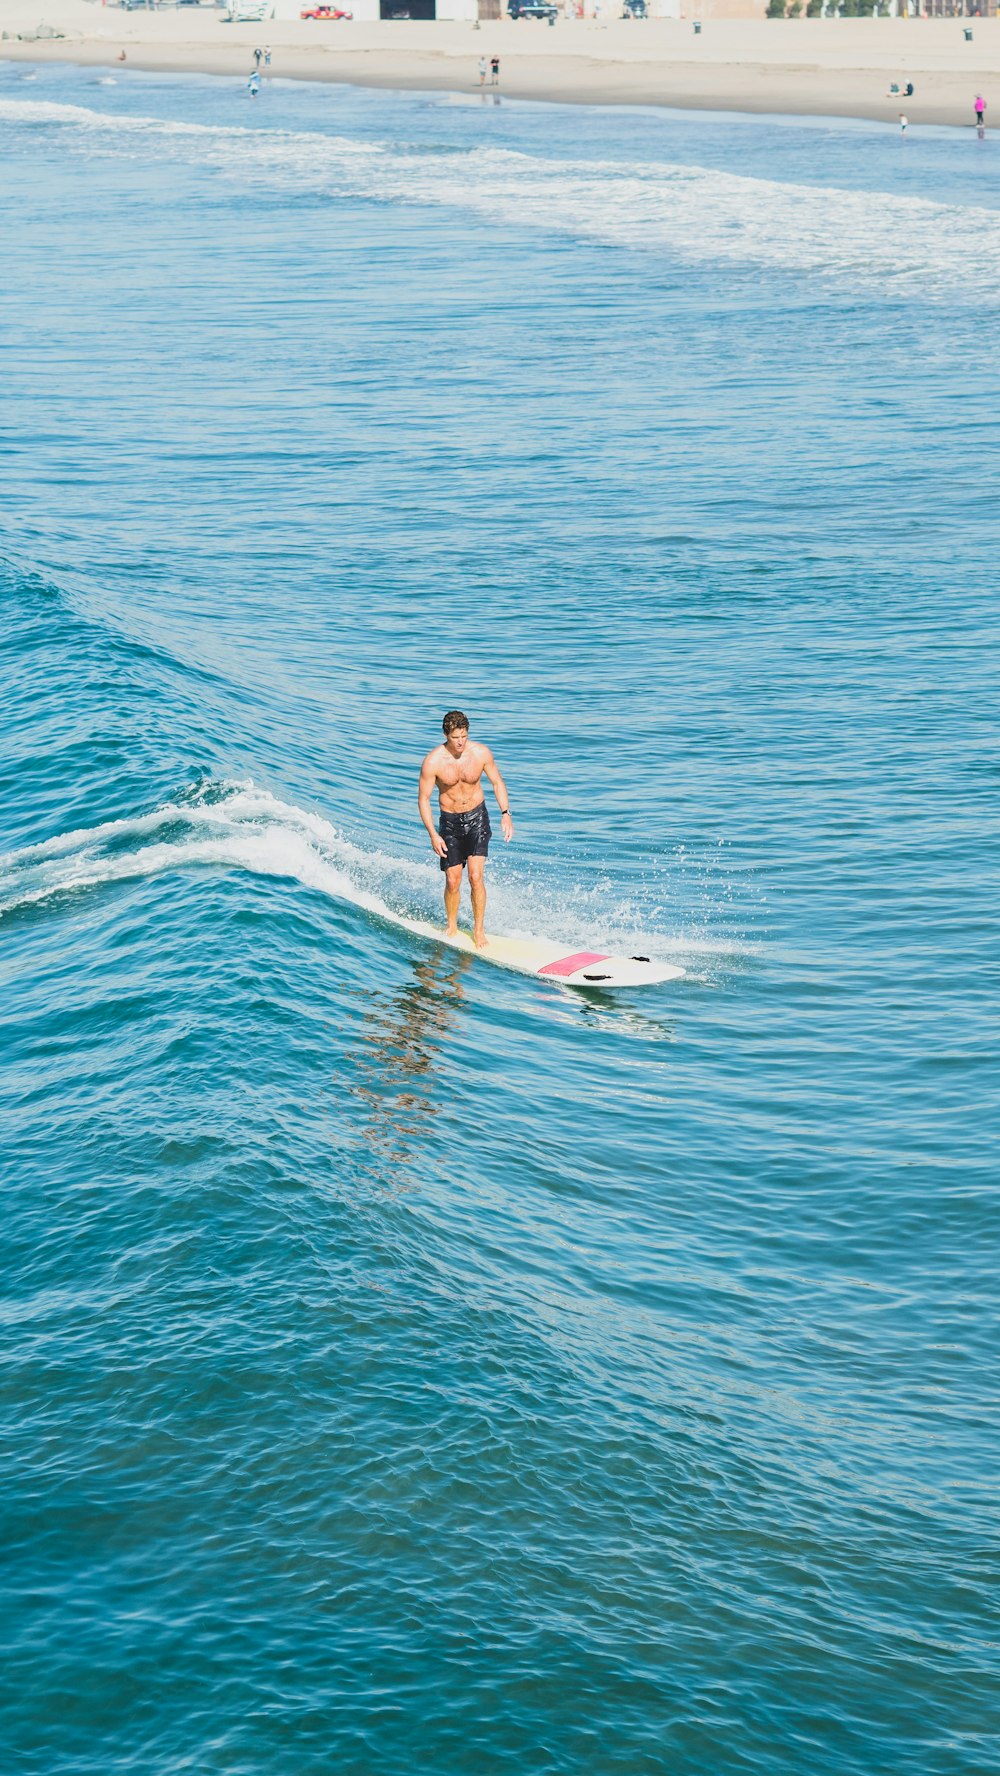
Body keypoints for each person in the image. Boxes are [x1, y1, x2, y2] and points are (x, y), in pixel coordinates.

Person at [418, 710, 514, 949]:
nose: (460, 742)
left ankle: (478, 931)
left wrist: (506, 814)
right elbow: (424, 799)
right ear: (445, 735)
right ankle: (451, 926)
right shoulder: (433, 761)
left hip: (477, 818)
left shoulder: (480, 753)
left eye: (464, 736)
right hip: (449, 822)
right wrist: (433, 833)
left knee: (475, 876)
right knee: (452, 880)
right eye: (455, 737)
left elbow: (497, 782)